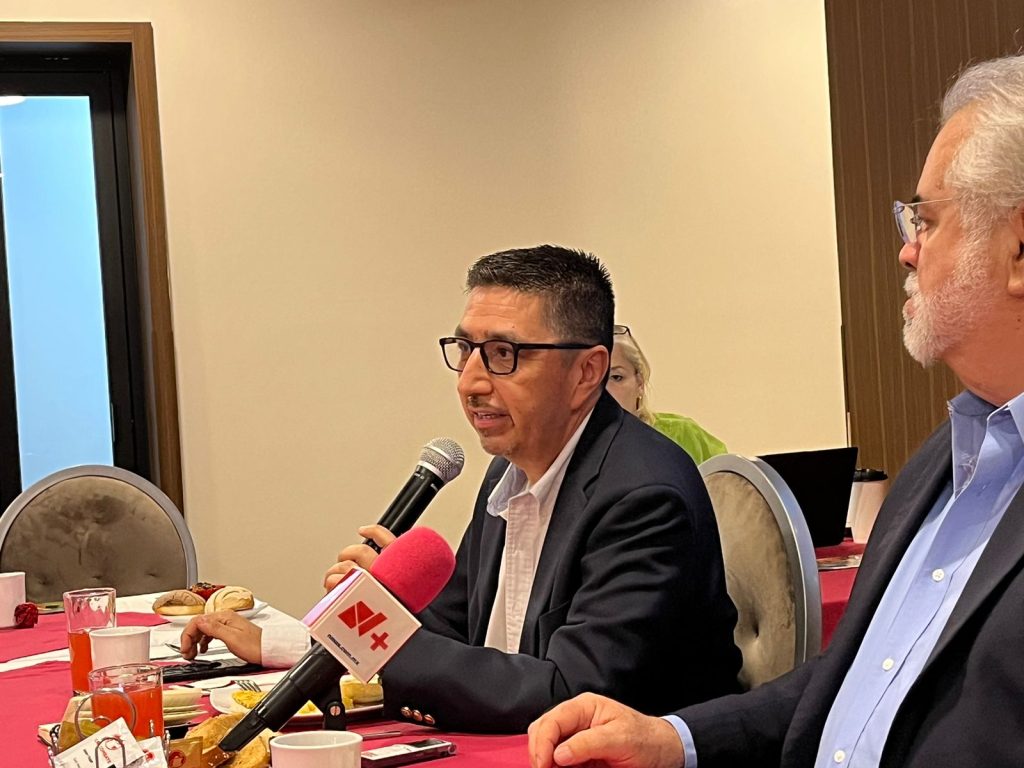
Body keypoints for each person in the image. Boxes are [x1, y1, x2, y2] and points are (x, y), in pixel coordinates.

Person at [528, 55, 1024, 768]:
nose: (905, 251)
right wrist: (674, 739)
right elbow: (851, 681)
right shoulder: (942, 461)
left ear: (1019, 249)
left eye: (927, 220)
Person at [183, 245, 741, 733]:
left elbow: (570, 693)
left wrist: (378, 632)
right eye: (466, 349)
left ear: (587, 372)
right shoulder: (510, 468)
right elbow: (452, 628)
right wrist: (320, 632)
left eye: (503, 355)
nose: (470, 382)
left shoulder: (643, 495)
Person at [606, 325, 727, 464]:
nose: (603, 391)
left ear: (640, 383)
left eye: (616, 377)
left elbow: (730, 473)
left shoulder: (682, 436)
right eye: (591, 380)